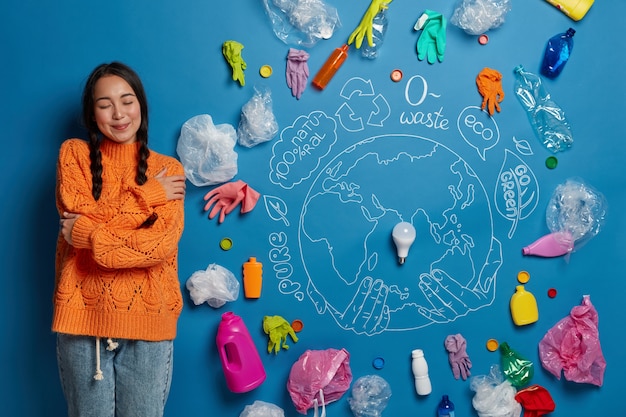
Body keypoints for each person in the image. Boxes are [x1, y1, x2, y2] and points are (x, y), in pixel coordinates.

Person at [53, 61, 186, 417]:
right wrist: (147, 197)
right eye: (104, 104)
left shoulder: (169, 171)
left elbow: (159, 248)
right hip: (84, 320)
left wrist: (87, 234)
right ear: (91, 113)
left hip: (150, 320)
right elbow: (76, 217)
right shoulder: (74, 155)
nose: (118, 113)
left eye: (127, 100)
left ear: (141, 104)